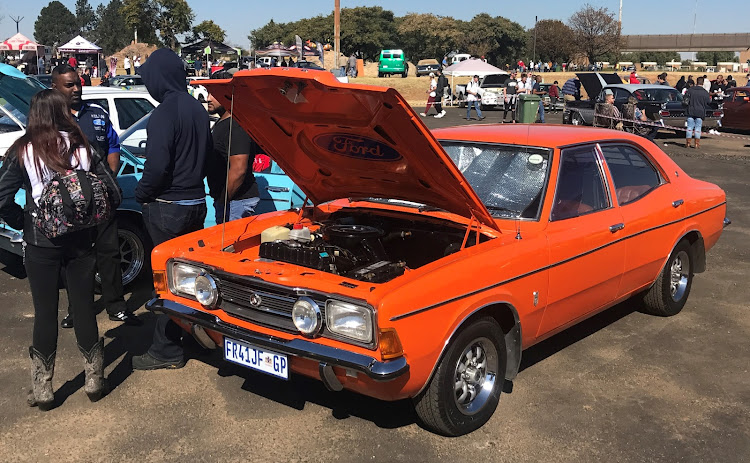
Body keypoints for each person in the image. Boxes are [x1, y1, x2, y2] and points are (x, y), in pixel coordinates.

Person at [0, 90, 120, 409]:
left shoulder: (24, 150)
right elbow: (112, 192)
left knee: (45, 312)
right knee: (83, 307)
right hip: (81, 242)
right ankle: (94, 378)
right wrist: (91, 222)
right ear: (63, 111)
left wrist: (24, 220)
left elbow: (2, 198)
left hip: (41, 243)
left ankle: (43, 388)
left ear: (34, 114)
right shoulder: (82, 146)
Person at [131, 48, 212, 370]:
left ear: (157, 78)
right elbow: (206, 159)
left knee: (166, 281)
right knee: (191, 279)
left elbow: (157, 166)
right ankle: (197, 337)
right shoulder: (197, 108)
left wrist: (142, 193)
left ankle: (166, 349)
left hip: (167, 207)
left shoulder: (164, 112)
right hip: (196, 203)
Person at [50, 64, 139, 328]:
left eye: (77, 83)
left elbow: (113, 144)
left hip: (101, 197)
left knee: (109, 252)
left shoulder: (97, 114)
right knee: (75, 257)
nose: (77, 89)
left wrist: (109, 179)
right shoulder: (50, 120)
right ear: (55, 87)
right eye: (69, 85)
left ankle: (116, 306)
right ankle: (77, 310)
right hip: (69, 203)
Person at [205, 86, 260, 223]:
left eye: (214, 94)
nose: (208, 99)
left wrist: (224, 200)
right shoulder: (222, 123)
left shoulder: (236, 126)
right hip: (229, 201)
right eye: (208, 93)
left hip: (236, 202)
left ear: (228, 96)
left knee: (230, 244)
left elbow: (239, 168)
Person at [684, 76, 711, 149]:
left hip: (690, 110)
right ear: (703, 83)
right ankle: (696, 143)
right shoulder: (705, 92)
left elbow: (685, 100)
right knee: (698, 128)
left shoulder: (690, 90)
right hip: (700, 111)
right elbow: (708, 102)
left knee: (689, 127)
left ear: (696, 82)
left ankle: (688, 143)